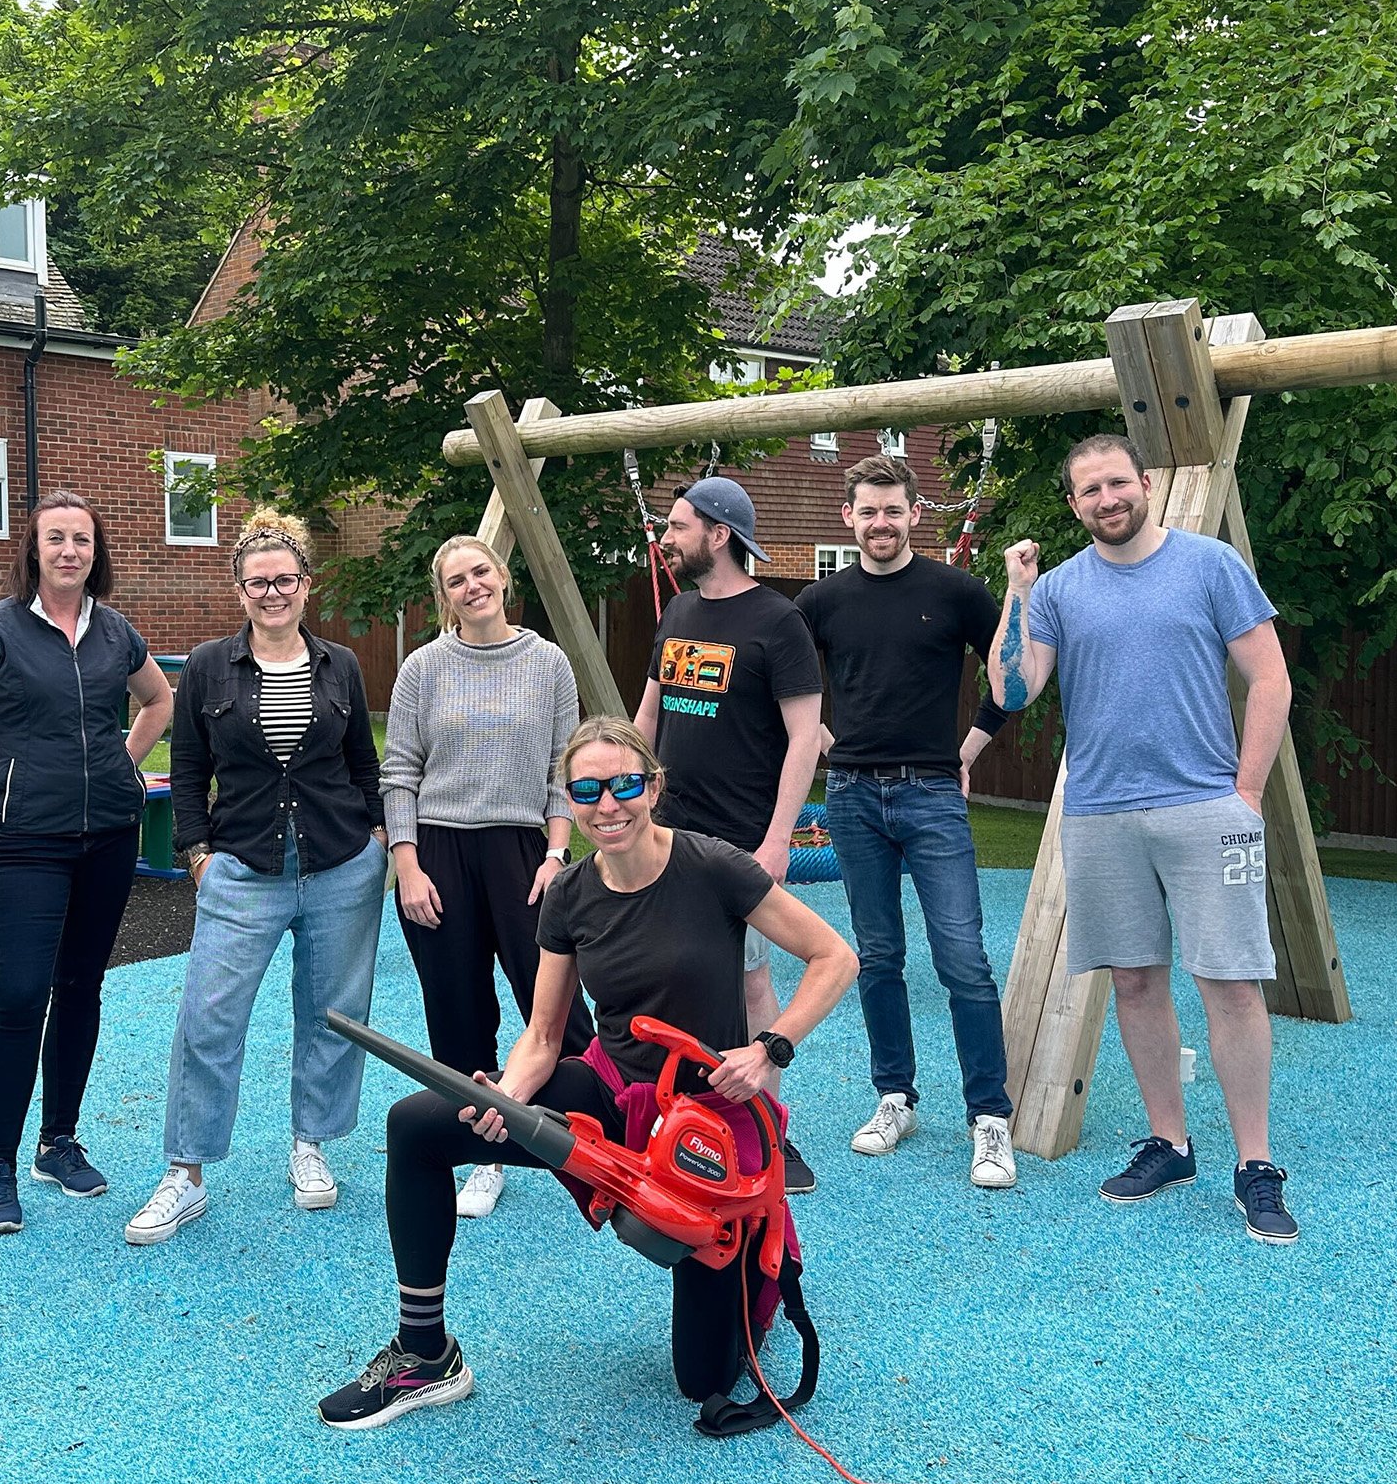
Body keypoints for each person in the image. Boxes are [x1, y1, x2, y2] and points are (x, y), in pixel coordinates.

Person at [317, 717, 857, 1432]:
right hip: (614, 1093)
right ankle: (425, 1353)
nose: (609, 805)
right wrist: (505, 1100)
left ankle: (751, 1281)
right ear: (569, 800)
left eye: (626, 785)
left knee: (705, 1375)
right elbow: (543, 1036)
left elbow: (834, 958)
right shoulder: (569, 894)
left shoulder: (713, 866)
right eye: (588, 790)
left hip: (709, 1122)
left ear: (654, 787)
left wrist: (769, 1049)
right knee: (416, 1126)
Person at [986, 433, 1301, 1244]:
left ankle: (1256, 1164)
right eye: (1088, 491)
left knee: (1230, 984)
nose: (1106, 499)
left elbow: (1270, 677)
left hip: (1204, 806)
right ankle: (1171, 1142)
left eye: (1116, 483)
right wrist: (1016, 591)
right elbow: (1014, 691)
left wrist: (1248, 795)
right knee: (1133, 981)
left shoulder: (1209, 565)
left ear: (1146, 483)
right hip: (1099, 811)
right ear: (1073, 505)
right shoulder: (1055, 588)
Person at [0, 492, 174, 1236]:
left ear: (97, 551)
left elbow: (158, 702)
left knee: (80, 987)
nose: (69, 551)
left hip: (109, 836)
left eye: (81, 540)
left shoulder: (115, 630)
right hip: (29, 840)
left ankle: (58, 1142)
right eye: (55, 539)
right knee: (21, 996)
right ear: (35, 549)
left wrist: (122, 767)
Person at [130, 509, 389, 1244]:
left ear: (307, 584)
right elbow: (186, 769)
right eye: (257, 582)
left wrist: (377, 837)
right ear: (239, 590)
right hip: (244, 864)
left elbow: (362, 763)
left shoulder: (339, 663)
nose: (271, 592)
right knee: (209, 1018)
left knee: (332, 1014)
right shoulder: (211, 665)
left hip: (341, 865)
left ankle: (311, 1144)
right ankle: (186, 1173)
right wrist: (198, 854)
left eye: (284, 579)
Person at [797, 453, 1018, 1188]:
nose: (881, 523)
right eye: (869, 511)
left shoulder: (955, 590)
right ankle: (895, 1096)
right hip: (853, 795)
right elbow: (782, 683)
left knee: (963, 958)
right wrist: (828, 744)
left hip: (931, 793)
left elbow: (1014, 675)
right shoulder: (822, 602)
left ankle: (989, 1116)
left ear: (917, 514)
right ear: (848, 518)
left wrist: (971, 748)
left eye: (895, 510)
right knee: (877, 954)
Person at [379, 533, 595, 1221]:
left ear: (502, 576)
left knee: (555, 1002)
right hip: (437, 852)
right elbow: (401, 770)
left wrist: (557, 855)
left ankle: (592, 1130)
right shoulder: (423, 668)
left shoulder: (549, 662)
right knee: (457, 1007)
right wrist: (406, 864)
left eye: (480, 572)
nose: (471, 586)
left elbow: (568, 764)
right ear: (443, 598)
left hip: (522, 851)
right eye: (455, 581)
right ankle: (483, 1150)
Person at [633, 475, 824, 1194]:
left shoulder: (778, 621)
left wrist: (779, 839)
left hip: (743, 834)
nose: (668, 538)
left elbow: (805, 738)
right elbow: (648, 712)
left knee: (748, 981)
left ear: (718, 534)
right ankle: (678, 1119)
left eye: (678, 526)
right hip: (666, 832)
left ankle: (772, 1130)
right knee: (669, 971)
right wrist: (631, 794)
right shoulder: (678, 609)